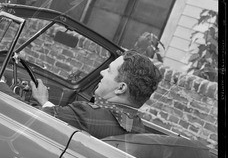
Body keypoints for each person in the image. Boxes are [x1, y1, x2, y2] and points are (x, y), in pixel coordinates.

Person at [30, 50, 163, 139]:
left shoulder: (86, 114)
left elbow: (29, 117)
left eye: (109, 71)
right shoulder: (138, 128)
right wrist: (45, 102)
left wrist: (41, 101)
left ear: (121, 88)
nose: (102, 72)